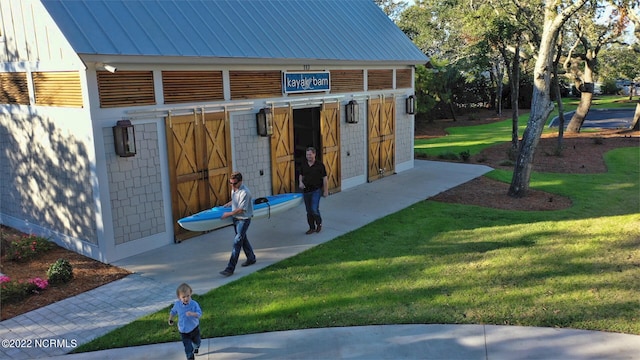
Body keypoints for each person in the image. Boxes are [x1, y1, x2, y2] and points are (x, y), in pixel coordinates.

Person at [219, 171, 257, 276]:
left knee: (237, 243)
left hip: (243, 220)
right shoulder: (234, 189)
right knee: (243, 239)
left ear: (241, 182)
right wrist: (229, 204)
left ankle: (230, 269)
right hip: (236, 219)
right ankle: (251, 258)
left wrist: (228, 214)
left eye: (234, 183)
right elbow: (236, 201)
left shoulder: (245, 192)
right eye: (230, 183)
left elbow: (241, 209)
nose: (232, 186)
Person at [298, 146, 328, 234]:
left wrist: (325, 190)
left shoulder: (320, 165)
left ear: (314, 154)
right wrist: (300, 182)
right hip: (306, 191)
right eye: (307, 155)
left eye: (310, 155)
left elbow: (325, 178)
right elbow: (301, 174)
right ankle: (311, 227)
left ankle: (319, 223)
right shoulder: (304, 164)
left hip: (316, 190)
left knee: (314, 209)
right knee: (309, 211)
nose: (308, 156)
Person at [168, 283, 202, 360]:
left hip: (194, 328)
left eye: (188, 296)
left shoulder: (194, 304)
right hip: (183, 330)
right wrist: (170, 319)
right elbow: (173, 311)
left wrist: (193, 314)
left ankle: (196, 347)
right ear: (179, 297)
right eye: (183, 297)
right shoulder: (177, 304)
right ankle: (190, 357)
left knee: (197, 343)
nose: (186, 298)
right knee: (188, 348)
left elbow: (199, 314)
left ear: (190, 294)